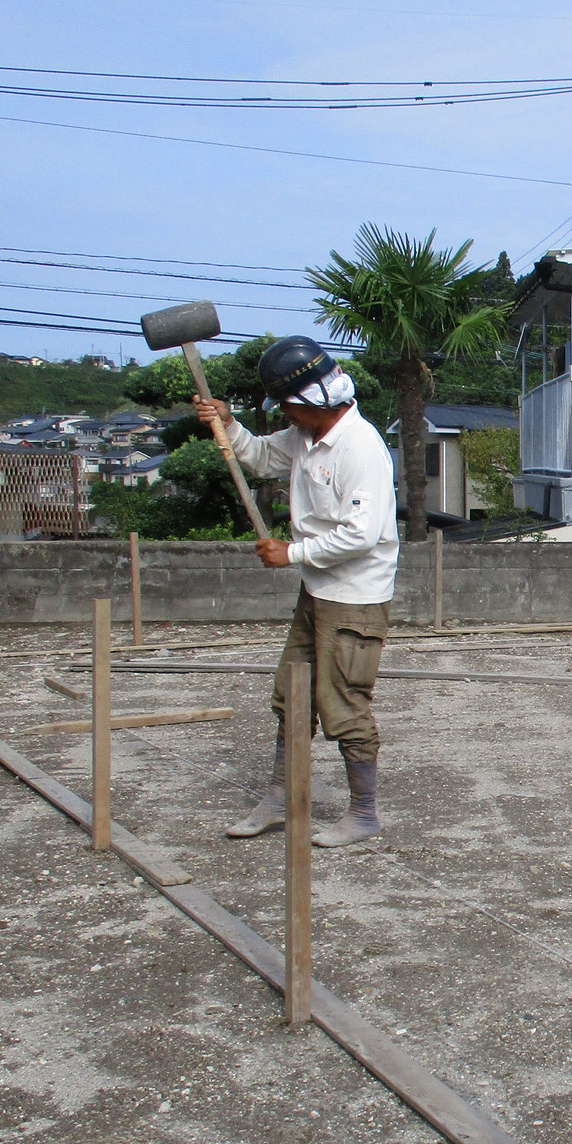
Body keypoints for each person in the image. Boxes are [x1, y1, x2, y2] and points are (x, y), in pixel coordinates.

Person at [194, 336, 399, 847]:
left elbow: (361, 535)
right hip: (316, 589)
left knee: (343, 703)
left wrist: (292, 553)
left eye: (287, 405)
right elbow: (262, 457)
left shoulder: (360, 447)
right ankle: (281, 797)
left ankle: (364, 813)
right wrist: (228, 425)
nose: (284, 414)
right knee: (293, 694)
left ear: (312, 400)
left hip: (354, 598)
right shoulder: (307, 434)